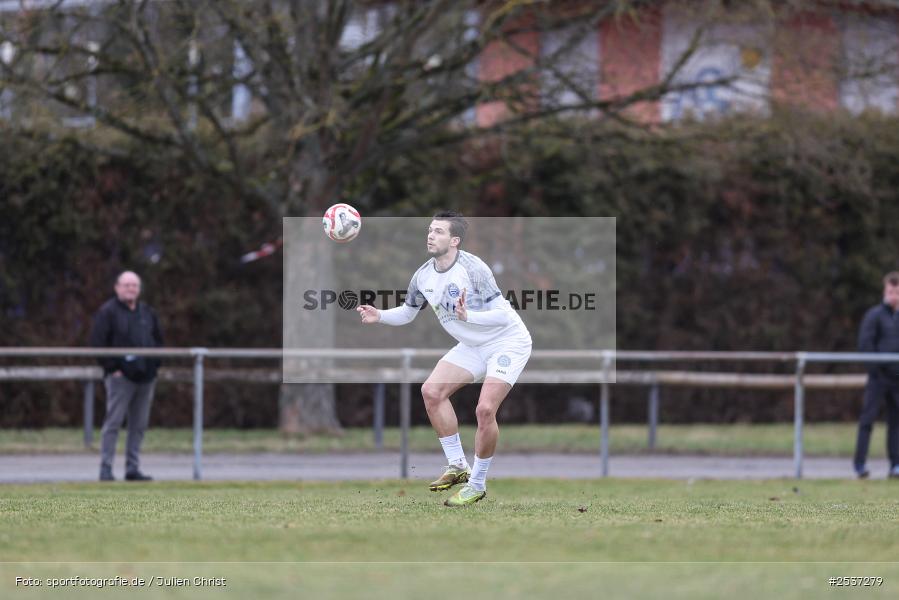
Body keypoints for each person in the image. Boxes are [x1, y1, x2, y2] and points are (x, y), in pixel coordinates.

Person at [357, 212, 532, 506]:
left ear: (454, 240)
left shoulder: (473, 268)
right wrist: (380, 316)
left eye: (438, 231)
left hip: (507, 341)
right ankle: (458, 467)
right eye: (429, 230)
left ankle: (477, 484)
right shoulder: (423, 275)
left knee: (485, 410)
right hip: (472, 345)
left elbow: (504, 315)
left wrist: (468, 315)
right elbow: (409, 311)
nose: (430, 235)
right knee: (431, 392)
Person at [89, 271, 163, 482]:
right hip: (120, 378)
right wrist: (113, 369)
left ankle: (132, 468)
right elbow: (97, 344)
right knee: (113, 423)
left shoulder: (147, 313)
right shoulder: (107, 312)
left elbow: (158, 341)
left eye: (134, 285)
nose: (131, 289)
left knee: (138, 425)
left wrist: (154, 366)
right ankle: (106, 468)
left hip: (145, 378)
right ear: (117, 287)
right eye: (127, 285)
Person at [854, 271, 899, 479]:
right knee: (867, 420)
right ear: (885, 290)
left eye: (897, 291)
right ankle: (860, 464)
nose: (893, 295)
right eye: (890, 291)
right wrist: (876, 370)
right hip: (878, 378)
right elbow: (865, 344)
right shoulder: (874, 315)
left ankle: (895, 465)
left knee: (896, 423)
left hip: (897, 379)